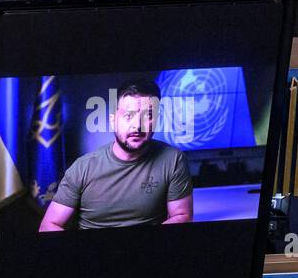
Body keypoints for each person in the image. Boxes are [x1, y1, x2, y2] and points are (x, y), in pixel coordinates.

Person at [39, 79, 194, 231]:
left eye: (147, 116)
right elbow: (49, 225)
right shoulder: (83, 168)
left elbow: (182, 216)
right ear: (113, 121)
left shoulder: (173, 159)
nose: (137, 125)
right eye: (128, 116)